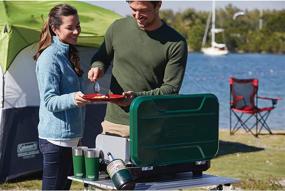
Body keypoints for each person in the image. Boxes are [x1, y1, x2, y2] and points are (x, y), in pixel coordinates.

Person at [88, 0, 188, 137]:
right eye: (133, 9)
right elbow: (101, 57)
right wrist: (97, 67)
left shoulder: (176, 43)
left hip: (150, 125)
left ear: (158, 5)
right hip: (114, 124)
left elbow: (170, 89)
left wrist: (136, 98)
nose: (137, 15)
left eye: (143, 10)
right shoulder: (117, 27)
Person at [34, 4, 89, 190]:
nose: (76, 31)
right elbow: (49, 100)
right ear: (55, 29)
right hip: (56, 141)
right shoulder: (49, 57)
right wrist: (74, 98)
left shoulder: (68, 52)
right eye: (70, 27)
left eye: (78, 26)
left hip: (71, 139)